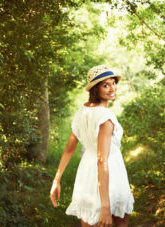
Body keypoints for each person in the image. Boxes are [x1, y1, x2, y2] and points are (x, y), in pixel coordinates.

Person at [49, 65, 134, 227]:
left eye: (113, 83)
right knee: (120, 223)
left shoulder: (82, 111)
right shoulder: (106, 117)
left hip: (87, 172)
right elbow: (102, 160)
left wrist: (56, 179)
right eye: (105, 85)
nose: (112, 88)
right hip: (109, 172)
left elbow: (69, 149)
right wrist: (106, 207)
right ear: (95, 89)